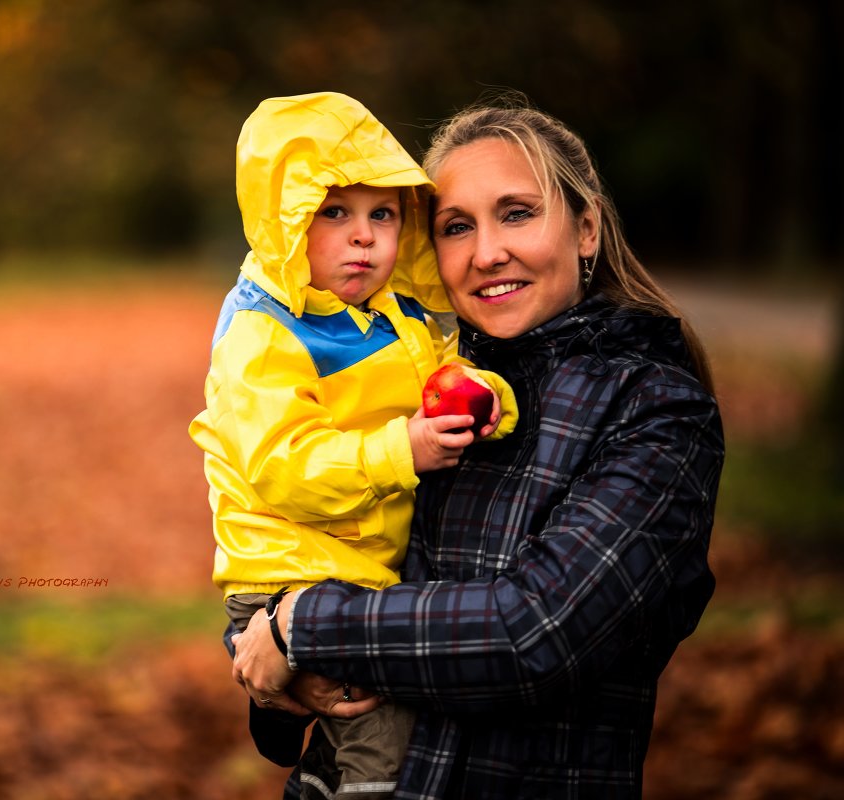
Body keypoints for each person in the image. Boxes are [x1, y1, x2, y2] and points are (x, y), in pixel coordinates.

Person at [231, 98, 725, 799]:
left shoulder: (655, 407)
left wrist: (301, 627)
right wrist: (278, 673)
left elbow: (535, 633)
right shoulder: (417, 383)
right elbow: (322, 545)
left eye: (517, 213)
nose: (487, 251)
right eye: (456, 227)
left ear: (586, 229)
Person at [189, 91, 519, 798]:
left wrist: (487, 396)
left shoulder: (392, 316)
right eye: (333, 213)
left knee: (363, 732)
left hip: (361, 564)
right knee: (384, 740)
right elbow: (284, 467)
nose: (364, 236)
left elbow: (440, 374)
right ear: (285, 223)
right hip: (291, 569)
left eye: (383, 215)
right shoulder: (264, 335)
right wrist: (402, 450)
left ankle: (296, 738)